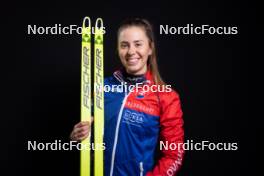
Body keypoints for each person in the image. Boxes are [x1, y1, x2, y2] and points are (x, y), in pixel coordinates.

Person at [70, 18, 184, 176]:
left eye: (138, 44)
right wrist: (77, 137)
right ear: (118, 49)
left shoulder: (166, 97)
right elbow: (92, 138)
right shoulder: (102, 87)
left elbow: (174, 155)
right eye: (124, 45)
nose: (131, 51)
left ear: (150, 48)